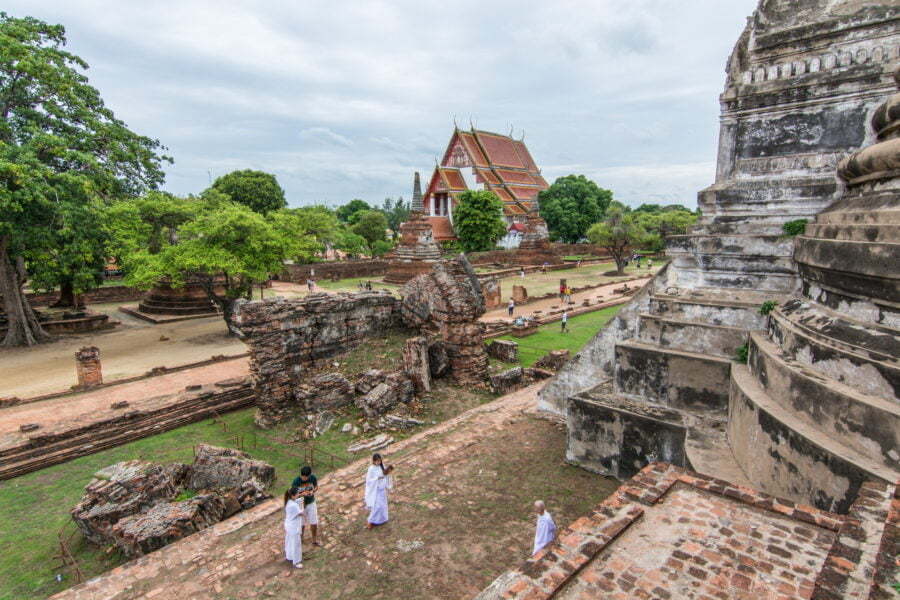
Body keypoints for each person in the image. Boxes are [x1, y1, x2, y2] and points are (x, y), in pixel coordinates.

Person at [292, 465, 321, 547]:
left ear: (309, 475)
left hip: (311, 502)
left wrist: (313, 491)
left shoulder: (313, 478)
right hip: (301, 504)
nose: (304, 478)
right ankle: (300, 539)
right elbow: (292, 495)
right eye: (303, 476)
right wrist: (302, 494)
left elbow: (316, 487)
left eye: (306, 477)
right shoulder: (296, 481)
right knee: (301, 524)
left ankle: (314, 540)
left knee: (314, 522)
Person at [364, 453, 393, 529]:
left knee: (383, 506)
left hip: (382, 490)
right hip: (375, 491)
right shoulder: (371, 469)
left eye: (379, 461)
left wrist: (387, 473)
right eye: (377, 461)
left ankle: (381, 519)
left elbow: (386, 476)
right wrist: (377, 478)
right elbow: (369, 480)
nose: (378, 463)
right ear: (373, 461)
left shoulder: (382, 466)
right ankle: (370, 521)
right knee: (377, 507)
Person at [283, 487, 305, 569]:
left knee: (289, 541)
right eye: (297, 494)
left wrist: (300, 500)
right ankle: (296, 561)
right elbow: (301, 512)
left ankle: (289, 556)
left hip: (289, 525)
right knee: (296, 544)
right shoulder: (294, 505)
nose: (298, 495)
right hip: (294, 527)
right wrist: (302, 504)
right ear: (292, 495)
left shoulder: (289, 502)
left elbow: (296, 502)